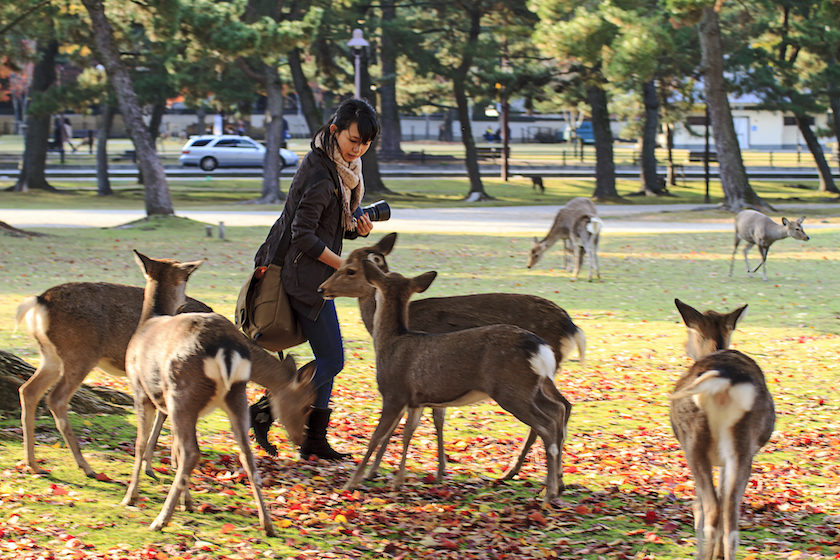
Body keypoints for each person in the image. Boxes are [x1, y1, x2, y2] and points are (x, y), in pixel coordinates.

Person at [251, 98, 379, 461]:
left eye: (366, 144)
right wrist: (345, 267)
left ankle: (313, 439)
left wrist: (356, 228)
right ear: (335, 131)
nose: (359, 149)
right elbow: (304, 235)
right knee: (333, 359)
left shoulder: (339, 168)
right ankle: (269, 408)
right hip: (301, 274)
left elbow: (327, 226)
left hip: (314, 271)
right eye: (353, 140)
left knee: (329, 356)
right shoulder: (323, 175)